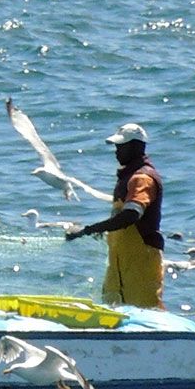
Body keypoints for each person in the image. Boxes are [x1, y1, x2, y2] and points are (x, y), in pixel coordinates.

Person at [65, 123, 165, 309]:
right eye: (116, 146)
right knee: (114, 310)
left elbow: (131, 215)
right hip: (120, 262)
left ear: (136, 147)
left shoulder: (142, 179)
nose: (116, 151)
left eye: (121, 146)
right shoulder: (128, 176)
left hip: (140, 263)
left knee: (145, 313)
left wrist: (88, 230)